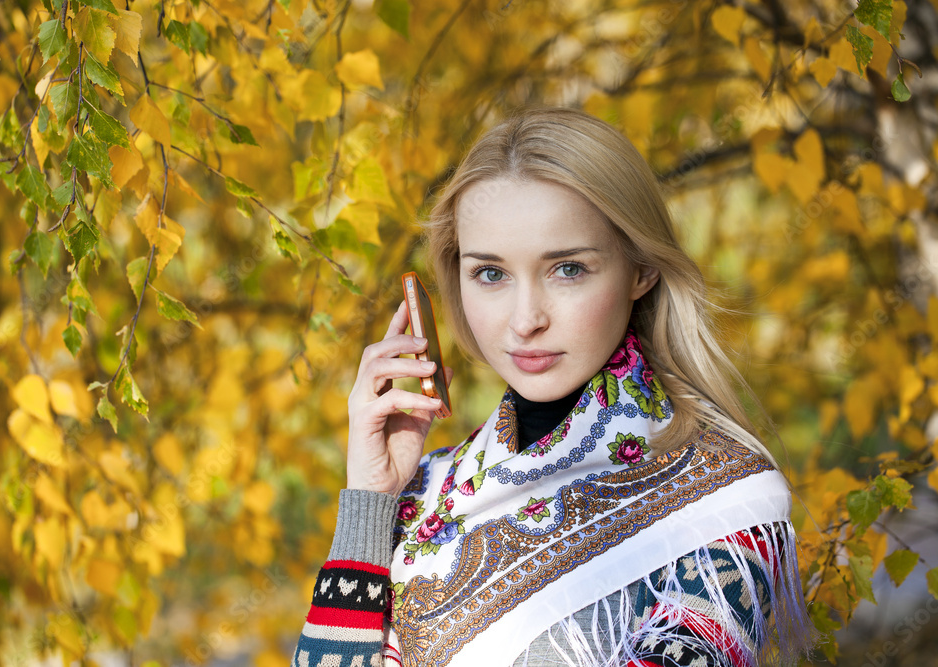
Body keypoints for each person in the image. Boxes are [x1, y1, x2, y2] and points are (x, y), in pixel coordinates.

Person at [290, 107, 815, 667]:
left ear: (640, 269)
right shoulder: (422, 494)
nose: (525, 320)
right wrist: (369, 502)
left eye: (567, 269)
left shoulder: (722, 500)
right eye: (490, 274)